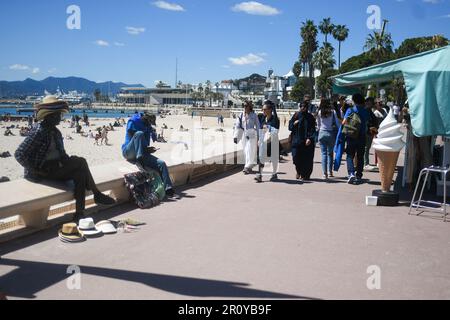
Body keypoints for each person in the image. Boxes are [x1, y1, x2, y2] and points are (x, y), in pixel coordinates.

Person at [14, 96, 115, 221]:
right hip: (42, 172)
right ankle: (96, 195)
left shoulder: (55, 132)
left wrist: (69, 160)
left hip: (55, 168)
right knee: (81, 162)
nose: (60, 118)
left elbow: (61, 154)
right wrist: (36, 170)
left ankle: (80, 213)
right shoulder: (39, 131)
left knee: (80, 173)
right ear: (49, 116)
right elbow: (19, 154)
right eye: (58, 115)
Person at [122, 112, 175, 197]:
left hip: (141, 153)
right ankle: (140, 159)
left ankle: (168, 188)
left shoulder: (147, 128)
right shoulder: (134, 122)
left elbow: (144, 145)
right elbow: (134, 137)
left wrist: (149, 150)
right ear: (145, 120)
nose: (150, 125)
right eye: (149, 123)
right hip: (129, 152)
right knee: (139, 133)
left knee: (162, 163)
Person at [342, 93, 369, 184]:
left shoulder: (350, 110)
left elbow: (344, 122)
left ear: (354, 101)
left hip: (351, 136)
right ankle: (359, 175)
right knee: (360, 156)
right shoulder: (365, 111)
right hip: (362, 136)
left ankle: (351, 173)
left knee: (350, 155)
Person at [289, 102, 316, 181]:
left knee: (307, 159)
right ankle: (298, 171)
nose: (303, 108)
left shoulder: (310, 117)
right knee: (296, 157)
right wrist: (294, 123)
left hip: (306, 143)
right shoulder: (296, 115)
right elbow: (290, 127)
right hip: (296, 141)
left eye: (304, 107)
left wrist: (309, 138)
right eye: (301, 106)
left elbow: (312, 129)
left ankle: (305, 175)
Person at [255, 100, 280, 183]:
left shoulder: (275, 119)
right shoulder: (262, 118)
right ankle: (259, 175)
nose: (263, 111)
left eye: (265, 109)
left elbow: (275, 131)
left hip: (273, 142)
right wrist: (259, 140)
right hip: (263, 142)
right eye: (262, 109)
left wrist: (268, 129)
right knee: (261, 158)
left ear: (270, 110)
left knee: (273, 159)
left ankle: (274, 173)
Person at [234, 101, 260, 175]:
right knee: (246, 151)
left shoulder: (254, 115)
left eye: (246, 105)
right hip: (244, 135)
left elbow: (258, 126)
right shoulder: (241, 115)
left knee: (250, 150)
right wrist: (236, 136)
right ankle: (249, 166)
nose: (244, 107)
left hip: (252, 134)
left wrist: (258, 137)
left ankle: (247, 167)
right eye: (244, 105)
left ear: (249, 106)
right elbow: (237, 126)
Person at [317, 99, 340, 180]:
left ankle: (324, 174)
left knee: (323, 154)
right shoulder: (333, 112)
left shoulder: (320, 112)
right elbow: (337, 123)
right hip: (330, 133)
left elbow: (318, 125)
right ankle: (330, 172)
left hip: (322, 133)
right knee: (330, 154)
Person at [364, 97, 379, 170]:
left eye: (371, 103)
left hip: (370, 132)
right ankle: (365, 163)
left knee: (367, 148)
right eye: (369, 102)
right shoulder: (366, 110)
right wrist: (371, 127)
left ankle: (365, 163)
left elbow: (374, 120)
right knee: (366, 148)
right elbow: (366, 121)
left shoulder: (369, 110)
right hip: (367, 131)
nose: (370, 104)